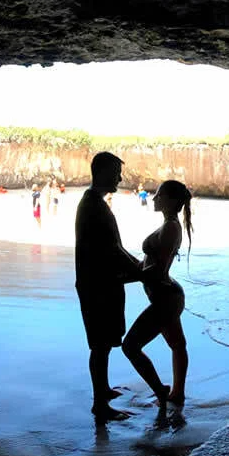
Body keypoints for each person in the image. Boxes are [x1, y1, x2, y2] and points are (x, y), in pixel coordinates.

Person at [75, 152, 143, 421]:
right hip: (97, 285)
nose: (120, 178)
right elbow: (112, 250)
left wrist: (137, 267)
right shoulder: (93, 205)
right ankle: (100, 406)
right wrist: (141, 271)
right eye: (116, 172)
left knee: (102, 343)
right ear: (102, 172)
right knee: (100, 346)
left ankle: (103, 389)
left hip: (99, 282)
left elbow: (115, 248)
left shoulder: (93, 202)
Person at [122, 180, 191, 405]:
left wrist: (123, 279)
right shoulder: (169, 225)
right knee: (178, 345)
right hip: (167, 297)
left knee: (130, 346)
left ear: (171, 201)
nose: (154, 199)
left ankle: (162, 390)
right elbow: (149, 264)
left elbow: (158, 270)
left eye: (159, 195)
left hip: (166, 299)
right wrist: (126, 260)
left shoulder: (171, 227)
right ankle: (177, 393)